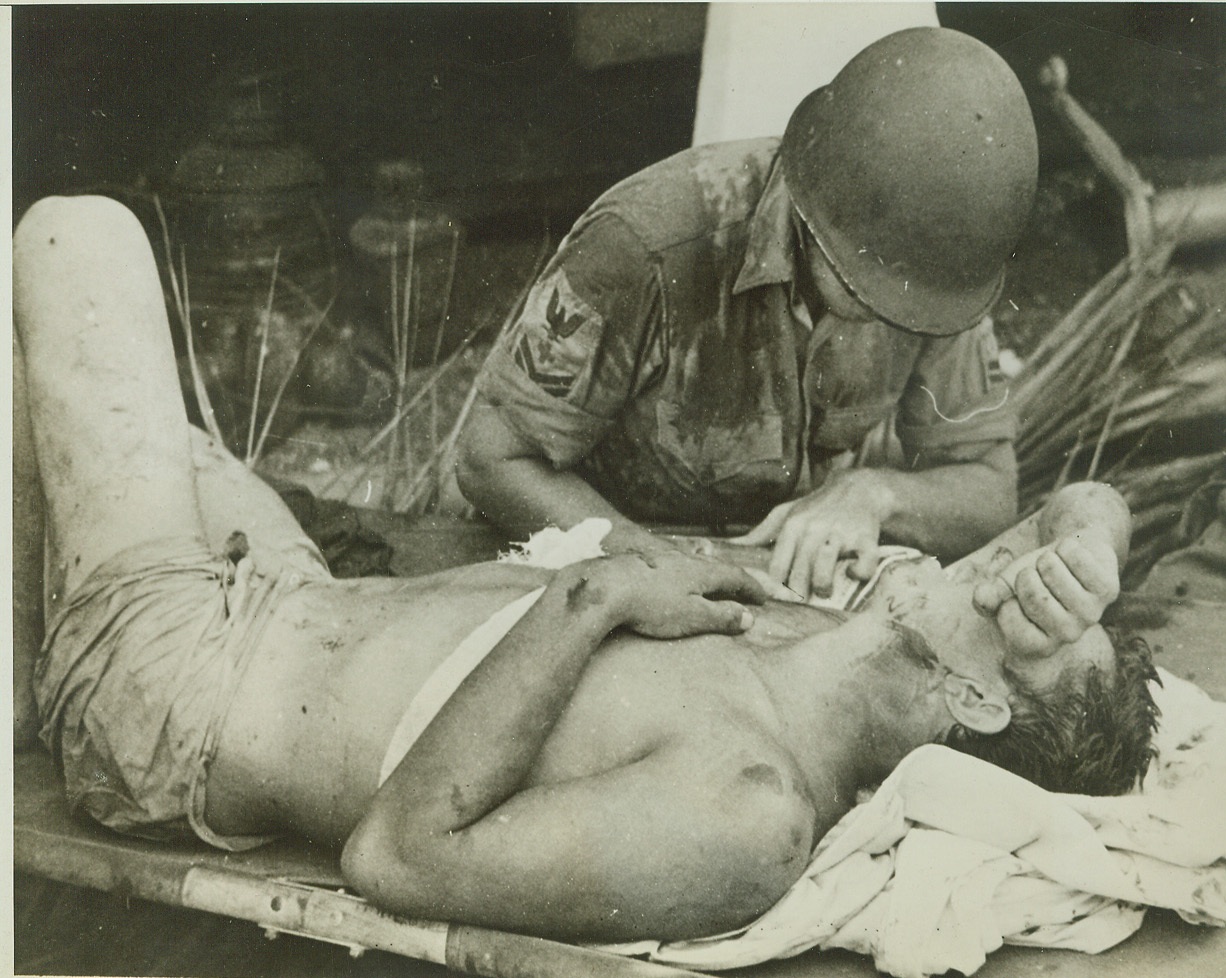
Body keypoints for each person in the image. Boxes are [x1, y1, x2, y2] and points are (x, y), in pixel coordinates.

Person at [16, 196, 1156, 945]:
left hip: (179, 697)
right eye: (1043, 573)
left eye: (1034, 609)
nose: (1018, 569)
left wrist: (599, 591)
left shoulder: (749, 811)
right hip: (285, 586)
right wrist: (1090, 547)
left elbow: (399, 857)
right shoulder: (816, 627)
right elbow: (1066, 509)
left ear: (972, 700)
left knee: (77, 235)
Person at [456, 27, 1038, 600]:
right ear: (813, 212)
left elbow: (988, 490)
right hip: (592, 557)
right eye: (870, 284)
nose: (890, 317)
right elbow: (491, 460)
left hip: (765, 583)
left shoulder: (937, 274)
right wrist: (651, 565)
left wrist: (873, 494)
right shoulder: (644, 246)